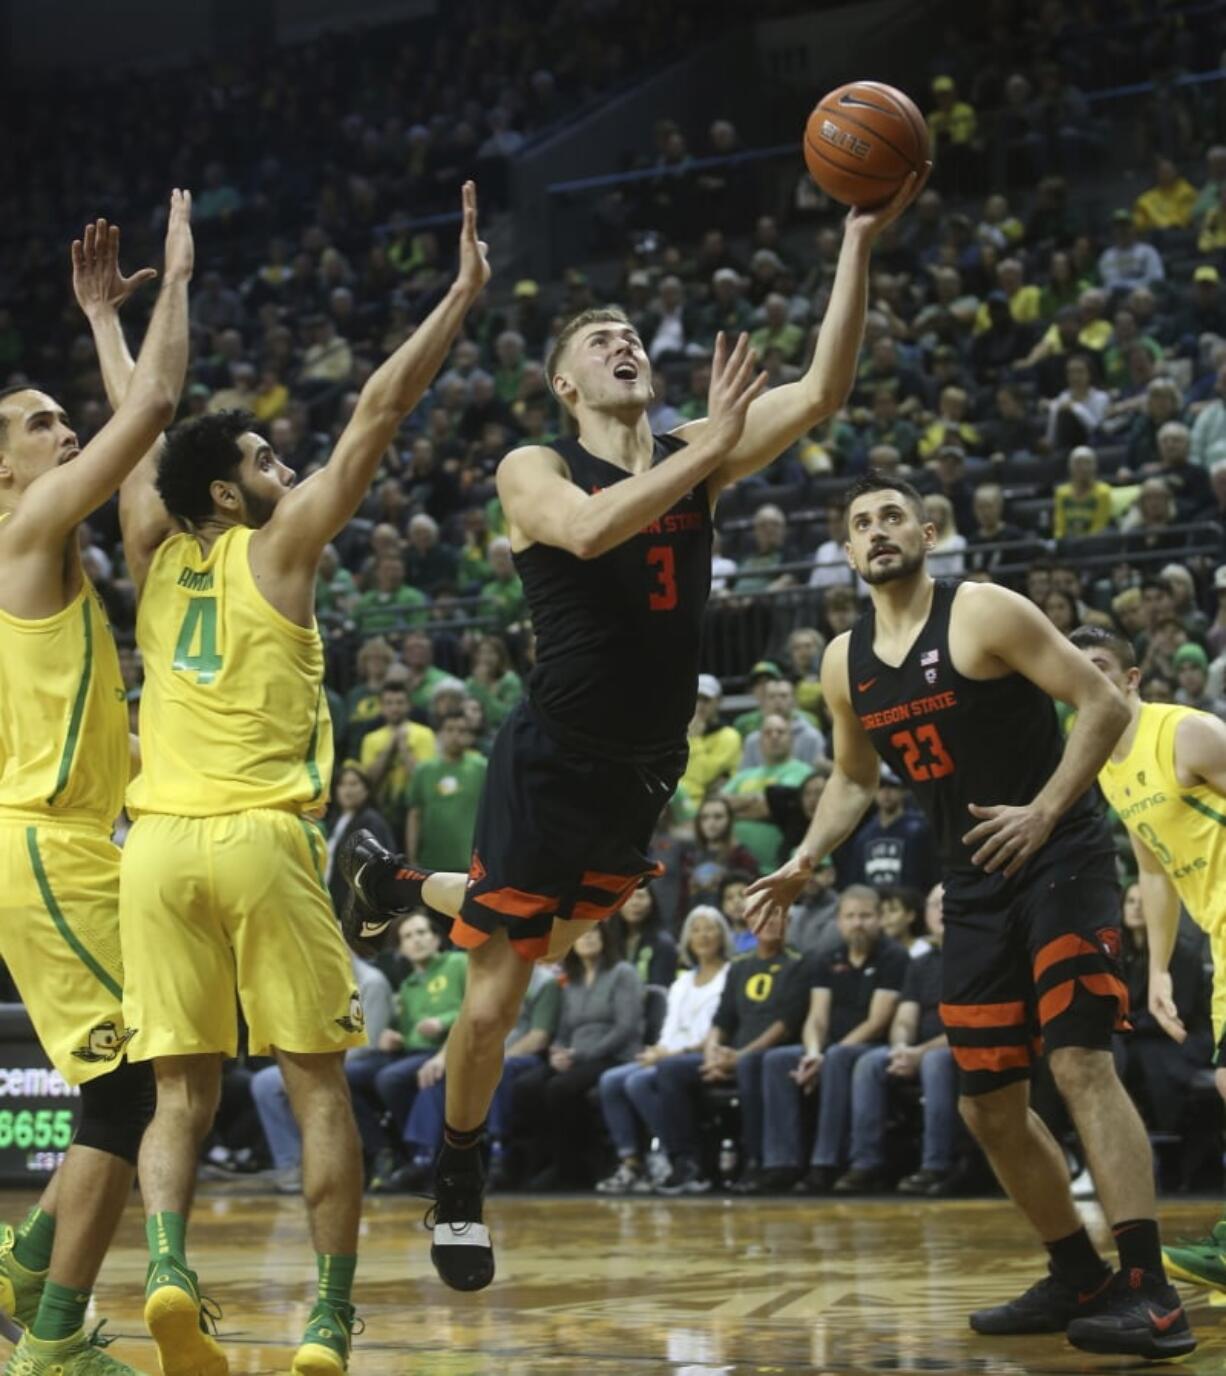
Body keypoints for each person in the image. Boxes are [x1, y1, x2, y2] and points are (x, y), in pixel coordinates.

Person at [339, 172, 931, 1291]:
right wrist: (704, 448)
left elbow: (820, 388)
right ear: (564, 381)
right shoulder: (538, 463)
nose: (623, 345)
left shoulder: (689, 444)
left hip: (646, 762)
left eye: (628, 335)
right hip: (554, 752)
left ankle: (398, 881)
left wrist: (854, 241)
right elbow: (592, 526)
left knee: (551, 939)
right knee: (500, 991)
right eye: (599, 339)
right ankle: (458, 1176)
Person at [95, 185, 489, 1374]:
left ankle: (166, 1267)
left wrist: (135, 310)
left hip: (152, 850)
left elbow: (138, 426)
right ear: (230, 491)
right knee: (320, 1090)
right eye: (267, 456)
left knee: (177, 1097)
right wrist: (460, 298)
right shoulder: (282, 545)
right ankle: (324, 1320)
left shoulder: (148, 545)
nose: (288, 462)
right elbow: (380, 404)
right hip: (263, 841)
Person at [747, 472, 1193, 1360]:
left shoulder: (985, 609)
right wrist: (804, 859)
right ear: (845, 550)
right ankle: (1076, 1271)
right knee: (986, 1100)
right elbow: (854, 778)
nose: (877, 531)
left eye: (892, 517)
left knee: (1077, 1062)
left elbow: (1103, 705)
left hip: (1060, 855)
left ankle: (1149, 1287)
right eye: (860, 523)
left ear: (929, 531)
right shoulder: (843, 660)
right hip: (976, 877)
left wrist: (1047, 809)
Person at [0, 201, 191, 1376]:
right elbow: (156, 411)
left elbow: (138, 446)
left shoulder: (43, 534)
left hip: (77, 840)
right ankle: (52, 1342)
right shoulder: (26, 525)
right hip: (45, 845)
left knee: (157, 1066)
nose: (64, 428)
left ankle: (26, 1264)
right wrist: (160, 291)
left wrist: (99, 327)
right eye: (39, 420)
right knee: (128, 1092)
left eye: (64, 416)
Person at [1070, 624, 1226, 1296]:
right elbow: (1154, 874)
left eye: (1100, 665)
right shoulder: (1105, 764)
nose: (1088, 677)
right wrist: (1159, 969)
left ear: (1132, 678)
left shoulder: (1187, 732)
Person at [750, 886, 907, 1194]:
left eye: (865, 916)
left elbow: (877, 1022)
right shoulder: (827, 957)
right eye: (850, 916)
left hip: (875, 1047)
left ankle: (825, 1163)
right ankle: (782, 1163)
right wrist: (812, 1053)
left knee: (838, 1059)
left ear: (879, 919)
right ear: (838, 922)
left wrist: (829, 1054)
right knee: (776, 1060)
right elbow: (817, 1016)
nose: (857, 923)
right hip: (831, 1049)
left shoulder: (893, 956)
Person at [595, 905, 732, 1194]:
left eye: (710, 928)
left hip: (702, 1055)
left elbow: (718, 1031)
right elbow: (668, 1029)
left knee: (638, 1081)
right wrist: (657, 1051)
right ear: (687, 939)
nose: (703, 936)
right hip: (668, 1054)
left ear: (722, 935)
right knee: (611, 1080)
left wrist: (666, 1055)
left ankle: (684, 1159)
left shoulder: (730, 975)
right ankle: (632, 1163)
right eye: (696, 930)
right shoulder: (682, 981)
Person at [510, 924, 643, 1190]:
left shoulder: (622, 973)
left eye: (594, 932)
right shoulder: (573, 980)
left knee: (560, 1088)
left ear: (605, 938)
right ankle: (544, 1161)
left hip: (614, 1054)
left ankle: (574, 1168)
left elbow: (625, 1027)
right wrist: (557, 1053)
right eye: (581, 934)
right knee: (526, 1086)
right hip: (576, 1056)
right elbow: (564, 1030)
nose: (588, 938)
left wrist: (581, 1054)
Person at [405, 711, 486, 871]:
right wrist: (412, 859)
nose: (455, 735)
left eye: (461, 731)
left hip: (472, 865)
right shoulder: (423, 770)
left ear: (470, 737)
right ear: (439, 734)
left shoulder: (482, 767)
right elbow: (414, 816)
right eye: (449, 729)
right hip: (430, 863)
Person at [325, 766, 394, 918]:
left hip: (356, 908)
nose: (347, 790)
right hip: (333, 899)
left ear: (366, 790)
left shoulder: (371, 820)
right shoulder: (336, 820)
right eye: (342, 784)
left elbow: (379, 865)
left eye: (353, 784)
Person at [607, 884, 678, 988]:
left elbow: (659, 990)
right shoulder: (609, 941)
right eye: (628, 897)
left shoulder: (663, 943)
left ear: (652, 902)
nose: (635, 903)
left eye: (640, 896)